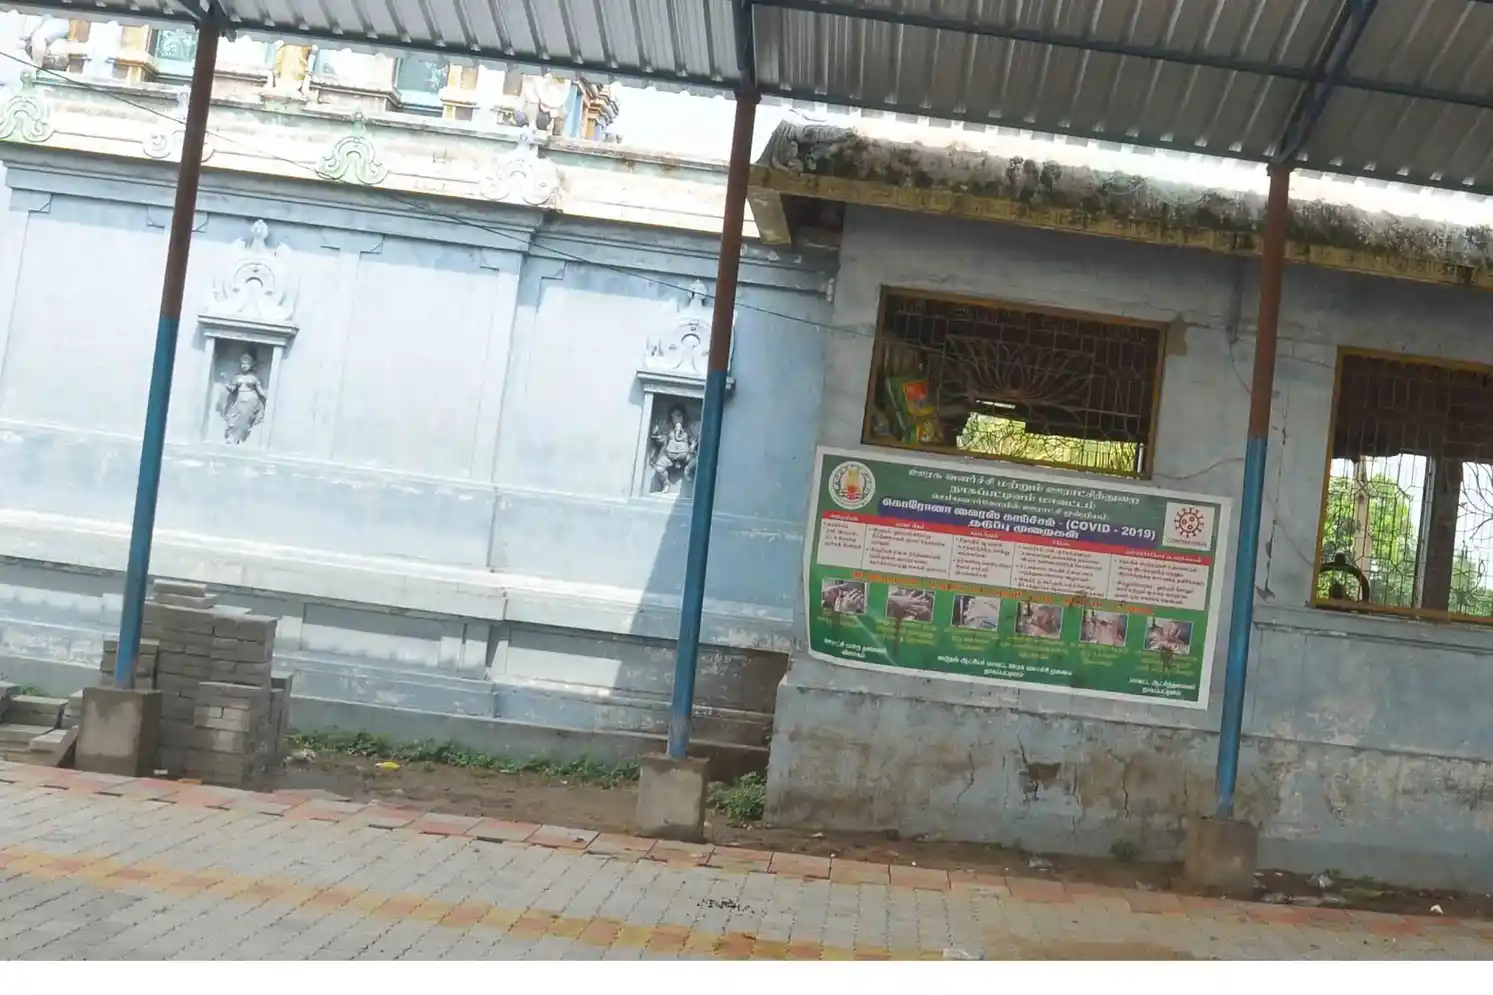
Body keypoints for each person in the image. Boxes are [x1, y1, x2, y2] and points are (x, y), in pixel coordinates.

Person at [219, 352, 267, 445]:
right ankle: (231, 436)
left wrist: (266, 399)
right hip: (239, 400)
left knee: (244, 420)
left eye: (246, 364)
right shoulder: (238, 377)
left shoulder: (254, 378)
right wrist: (226, 383)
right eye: (242, 364)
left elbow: (260, 391)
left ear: (251, 365)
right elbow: (233, 389)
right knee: (234, 418)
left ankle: (238, 439)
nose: (244, 366)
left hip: (251, 401)